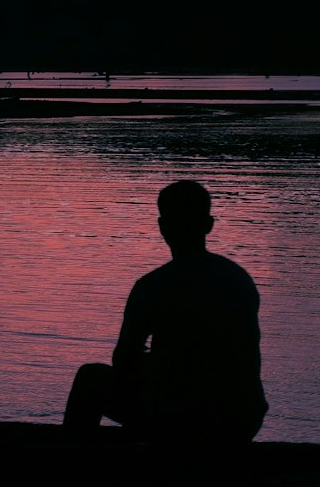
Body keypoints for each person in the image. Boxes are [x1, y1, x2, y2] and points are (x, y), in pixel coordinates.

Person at [63, 180, 268, 444]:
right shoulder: (239, 279)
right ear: (208, 225)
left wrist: (156, 365)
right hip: (242, 419)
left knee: (90, 378)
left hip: (184, 418)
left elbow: (124, 359)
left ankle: (71, 461)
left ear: (162, 227)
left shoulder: (153, 286)